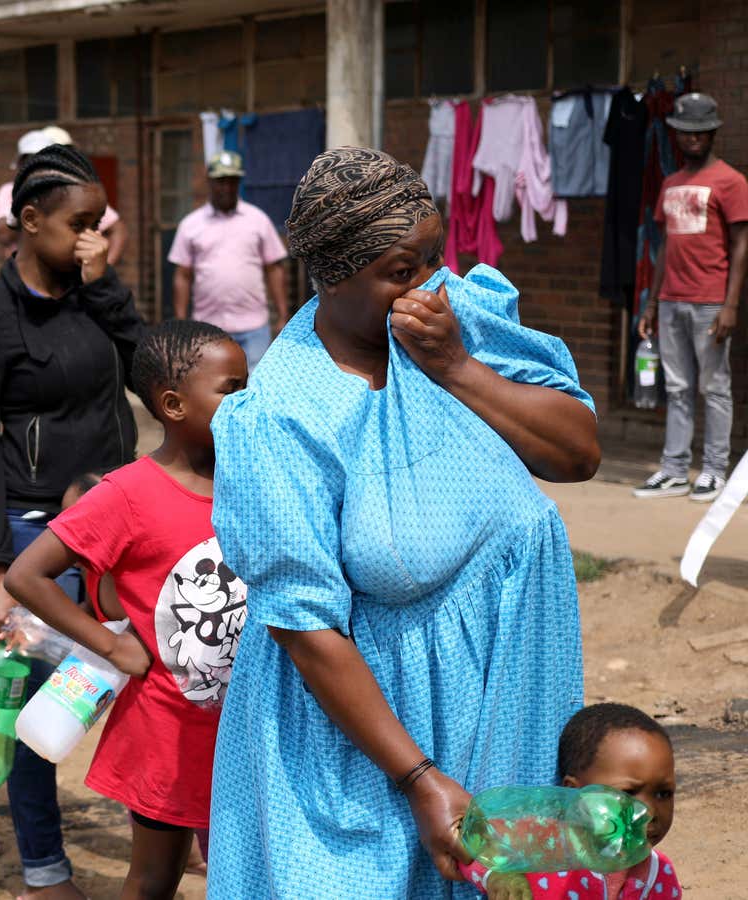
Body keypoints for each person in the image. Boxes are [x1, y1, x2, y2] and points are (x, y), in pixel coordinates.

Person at [206, 148, 600, 897]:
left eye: (433, 254)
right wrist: (419, 777)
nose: (429, 282)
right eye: (401, 270)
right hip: (369, 744)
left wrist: (456, 366)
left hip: (505, 692)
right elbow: (304, 627)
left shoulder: (456, 322)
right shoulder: (284, 417)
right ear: (331, 276)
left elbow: (577, 452)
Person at [0, 143, 145, 900]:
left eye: (100, 224)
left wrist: (107, 291)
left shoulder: (94, 295)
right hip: (40, 530)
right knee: (39, 701)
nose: (92, 238)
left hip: (123, 522)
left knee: (159, 686)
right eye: (79, 225)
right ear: (31, 223)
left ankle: (167, 835)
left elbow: (155, 373)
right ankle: (43, 866)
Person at [5, 320, 249, 900]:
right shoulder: (127, 492)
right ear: (172, 403)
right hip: (168, 729)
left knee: (238, 872)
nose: (248, 401)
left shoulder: (251, 479)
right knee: (154, 879)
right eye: (232, 389)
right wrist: (111, 644)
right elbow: (26, 575)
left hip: (245, 726)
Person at [634, 92, 748, 503]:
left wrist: (731, 304)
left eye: (700, 132)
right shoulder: (671, 183)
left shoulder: (731, 182)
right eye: (685, 133)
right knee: (678, 387)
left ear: (714, 132)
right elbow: (665, 244)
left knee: (713, 387)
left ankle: (715, 471)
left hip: (710, 302)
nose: (693, 139)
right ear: (676, 135)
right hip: (670, 300)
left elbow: (741, 244)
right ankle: (675, 470)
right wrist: (651, 302)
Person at [462, 703, 680, 899]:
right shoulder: (538, 839)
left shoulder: (657, 874)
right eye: (628, 793)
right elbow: (471, 840)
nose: (649, 811)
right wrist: (498, 876)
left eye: (663, 794)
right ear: (575, 792)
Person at [168, 151, 289, 369]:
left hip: (253, 327)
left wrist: (282, 315)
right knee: (210, 391)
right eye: (221, 181)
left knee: (254, 390)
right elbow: (183, 275)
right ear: (210, 182)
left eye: (232, 181)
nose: (226, 187)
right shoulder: (191, 224)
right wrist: (181, 321)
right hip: (207, 329)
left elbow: (274, 268)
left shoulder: (258, 220)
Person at [0, 127, 128, 265]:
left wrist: (103, 270)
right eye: (30, 161)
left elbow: (116, 228)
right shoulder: (9, 192)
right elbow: (4, 235)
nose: (36, 167)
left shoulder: (74, 192)